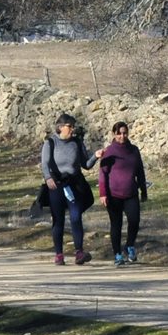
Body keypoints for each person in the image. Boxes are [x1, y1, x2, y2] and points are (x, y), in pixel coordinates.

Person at [40, 112, 96, 265]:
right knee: (58, 220)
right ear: (60, 127)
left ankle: (79, 252)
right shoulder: (50, 143)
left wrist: (96, 156)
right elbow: (45, 163)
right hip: (56, 185)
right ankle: (59, 254)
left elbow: (86, 164)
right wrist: (48, 178)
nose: (72, 129)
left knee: (76, 217)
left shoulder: (76, 143)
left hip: (74, 184)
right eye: (69, 126)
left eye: (73, 126)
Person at [96, 120, 150, 265]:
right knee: (116, 224)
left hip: (131, 193)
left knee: (134, 221)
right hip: (113, 195)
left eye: (124, 133)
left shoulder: (134, 150)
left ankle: (129, 245)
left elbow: (140, 171)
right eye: (119, 133)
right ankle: (118, 254)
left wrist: (143, 190)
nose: (122, 136)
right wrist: (103, 194)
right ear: (114, 134)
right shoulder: (109, 152)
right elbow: (103, 174)